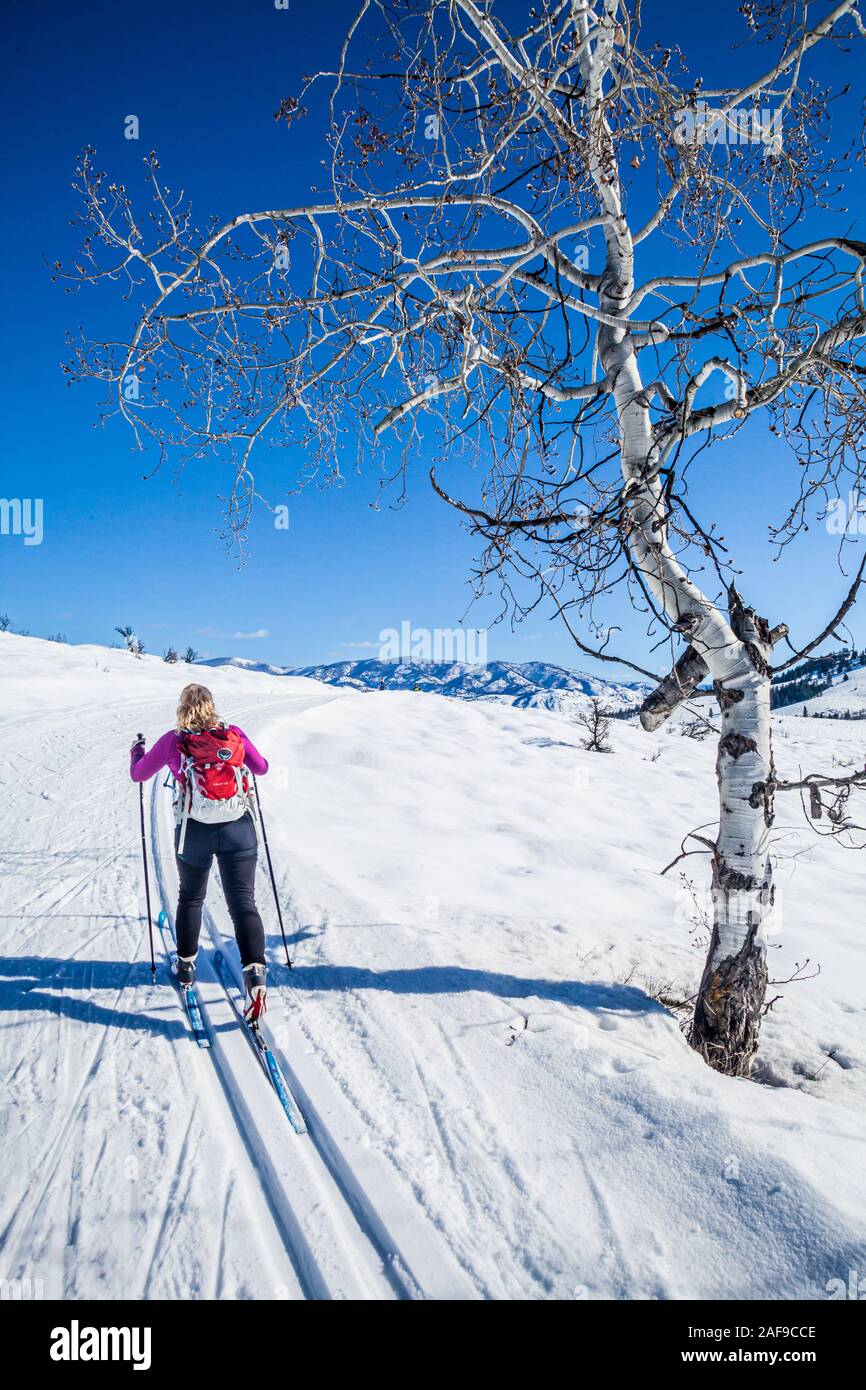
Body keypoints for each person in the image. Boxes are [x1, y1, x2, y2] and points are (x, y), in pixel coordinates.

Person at [130, 683, 270, 1021]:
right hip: (239, 829)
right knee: (243, 902)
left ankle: (186, 967)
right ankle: (255, 976)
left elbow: (138, 775)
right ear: (211, 706)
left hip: (194, 832)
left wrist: (137, 750)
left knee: (191, 898)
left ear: (182, 708)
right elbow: (261, 767)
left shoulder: (173, 742)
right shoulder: (233, 735)